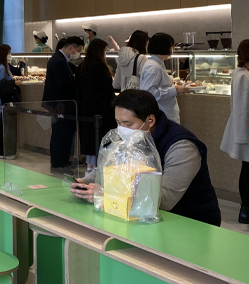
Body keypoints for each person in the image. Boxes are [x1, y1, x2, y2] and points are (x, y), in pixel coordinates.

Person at [70, 90, 221, 226]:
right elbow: (112, 168)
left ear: (150, 121)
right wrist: (86, 182)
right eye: (118, 123)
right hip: (140, 216)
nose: (121, 129)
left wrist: (106, 194)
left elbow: (164, 199)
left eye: (127, 123)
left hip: (189, 221)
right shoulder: (131, 136)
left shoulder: (181, 146)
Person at [221, 39, 249, 225]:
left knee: (248, 170)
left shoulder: (241, 73)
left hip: (247, 128)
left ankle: (248, 207)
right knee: (248, 170)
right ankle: (246, 209)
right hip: (247, 130)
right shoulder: (244, 76)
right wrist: (243, 138)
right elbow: (242, 107)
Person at [43, 36, 84, 174]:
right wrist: (77, 85)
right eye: (77, 50)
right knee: (61, 134)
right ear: (71, 47)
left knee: (60, 133)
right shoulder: (59, 61)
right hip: (61, 104)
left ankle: (62, 162)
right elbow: (62, 84)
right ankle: (59, 164)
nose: (77, 53)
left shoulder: (58, 59)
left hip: (58, 103)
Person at [77, 38, 116, 175]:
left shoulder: (82, 65)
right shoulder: (100, 66)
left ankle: (89, 167)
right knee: (101, 138)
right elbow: (107, 88)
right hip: (101, 108)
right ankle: (98, 169)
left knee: (90, 139)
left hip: (86, 108)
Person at [139, 33, 190, 124]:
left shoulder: (156, 63)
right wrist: (175, 90)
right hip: (162, 114)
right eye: (172, 46)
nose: (172, 49)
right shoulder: (154, 67)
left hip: (163, 113)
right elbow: (149, 93)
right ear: (165, 47)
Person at [0, 44, 22, 158]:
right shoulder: (1, 68)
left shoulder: (4, 67)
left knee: (6, 125)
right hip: (3, 100)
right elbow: (0, 86)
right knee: (4, 126)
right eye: (9, 52)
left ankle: (7, 150)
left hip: (4, 100)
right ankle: (4, 152)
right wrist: (14, 83)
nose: (10, 55)